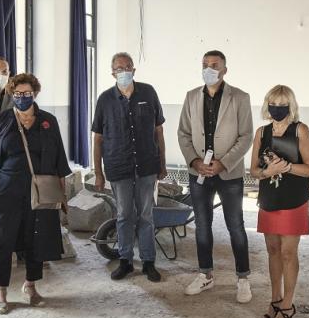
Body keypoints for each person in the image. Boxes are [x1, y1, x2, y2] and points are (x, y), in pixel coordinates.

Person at [0, 73, 71, 314]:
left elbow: (59, 160)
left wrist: (62, 196)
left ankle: (30, 286)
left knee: (37, 237)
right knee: (4, 240)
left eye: (27, 93)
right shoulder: (0, 121)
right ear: (12, 95)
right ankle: (0, 291)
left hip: (41, 191)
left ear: (35, 94)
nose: (23, 98)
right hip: (7, 191)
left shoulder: (48, 121)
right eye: (18, 94)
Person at [178, 50, 253, 303]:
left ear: (224, 70)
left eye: (214, 65)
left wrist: (224, 163)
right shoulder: (191, 97)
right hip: (199, 171)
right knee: (201, 225)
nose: (209, 69)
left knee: (235, 226)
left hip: (228, 173)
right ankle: (205, 274)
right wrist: (195, 161)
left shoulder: (240, 97)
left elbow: (246, 137)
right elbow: (183, 134)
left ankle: (242, 278)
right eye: (204, 65)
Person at [92, 52, 166, 282]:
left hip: (146, 166)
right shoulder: (105, 99)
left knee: (146, 215)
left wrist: (161, 163)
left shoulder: (148, 92)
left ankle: (148, 262)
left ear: (134, 70)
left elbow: (158, 132)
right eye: (118, 68)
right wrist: (98, 173)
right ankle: (125, 260)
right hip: (118, 166)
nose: (123, 71)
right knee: (124, 215)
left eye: (127, 67)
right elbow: (98, 139)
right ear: (112, 72)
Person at [249, 85, 309, 318]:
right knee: (273, 250)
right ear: (267, 105)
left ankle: (288, 304)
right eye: (273, 104)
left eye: (282, 105)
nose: (277, 109)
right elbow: (254, 171)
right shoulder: (261, 132)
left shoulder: (301, 130)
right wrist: (268, 171)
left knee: (289, 252)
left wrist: (287, 167)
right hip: (269, 199)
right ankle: (275, 298)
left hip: (294, 199)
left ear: (291, 106)